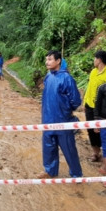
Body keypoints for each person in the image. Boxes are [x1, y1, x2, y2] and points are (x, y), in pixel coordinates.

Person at [38, 50, 83, 179]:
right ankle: (50, 171)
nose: (47, 62)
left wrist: (65, 110)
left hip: (63, 119)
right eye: (46, 59)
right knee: (48, 147)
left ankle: (76, 174)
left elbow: (75, 100)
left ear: (58, 61)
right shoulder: (48, 76)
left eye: (50, 59)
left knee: (68, 148)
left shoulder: (67, 78)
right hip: (47, 118)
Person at [83, 50, 106, 162]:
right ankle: (95, 152)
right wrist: (85, 101)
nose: (93, 61)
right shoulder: (93, 72)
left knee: (101, 130)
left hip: (101, 108)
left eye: (95, 58)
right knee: (91, 129)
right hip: (90, 105)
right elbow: (89, 88)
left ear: (99, 59)